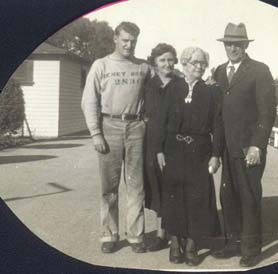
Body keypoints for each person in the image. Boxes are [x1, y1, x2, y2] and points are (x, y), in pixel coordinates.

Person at [211, 23, 277, 267]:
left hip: (248, 149)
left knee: (249, 198)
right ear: (224, 45)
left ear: (246, 45)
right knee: (227, 195)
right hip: (227, 149)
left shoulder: (259, 71)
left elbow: (267, 113)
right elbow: (217, 116)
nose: (233, 48)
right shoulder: (218, 71)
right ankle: (232, 243)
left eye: (238, 44)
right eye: (228, 44)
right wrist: (215, 152)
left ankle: (251, 249)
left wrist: (257, 146)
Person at [81, 21, 150, 254]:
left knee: (136, 185)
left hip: (136, 127)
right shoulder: (101, 65)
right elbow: (89, 100)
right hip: (109, 125)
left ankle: (136, 236)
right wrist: (95, 133)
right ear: (115, 38)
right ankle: (109, 234)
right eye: (125, 40)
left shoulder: (143, 67)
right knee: (109, 187)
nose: (129, 45)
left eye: (133, 41)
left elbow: (158, 94)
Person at [155, 47, 223, 266]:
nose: (200, 67)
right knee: (174, 197)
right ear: (184, 63)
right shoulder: (172, 88)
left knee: (198, 199)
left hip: (200, 150)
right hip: (174, 149)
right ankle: (176, 243)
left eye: (203, 63)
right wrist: (159, 149)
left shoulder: (211, 91)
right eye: (195, 63)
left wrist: (216, 154)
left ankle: (192, 245)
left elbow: (218, 125)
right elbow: (160, 120)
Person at [143, 43, 179, 252]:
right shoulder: (148, 86)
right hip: (153, 144)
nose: (167, 63)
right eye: (162, 60)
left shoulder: (181, 84)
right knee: (157, 189)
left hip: (176, 146)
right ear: (154, 63)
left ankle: (176, 235)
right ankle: (160, 234)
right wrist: (157, 149)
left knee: (175, 189)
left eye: (170, 59)